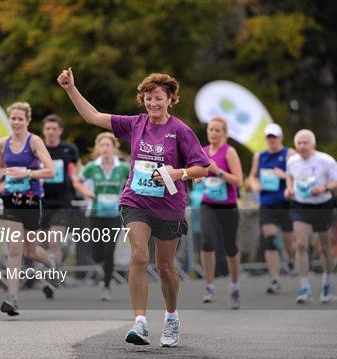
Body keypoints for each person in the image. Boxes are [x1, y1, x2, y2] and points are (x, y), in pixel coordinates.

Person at [58, 68, 209, 347]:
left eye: (158, 98)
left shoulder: (180, 130)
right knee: (139, 256)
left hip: (169, 205)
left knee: (164, 267)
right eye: (148, 98)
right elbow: (93, 116)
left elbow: (202, 168)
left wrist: (179, 174)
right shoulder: (135, 124)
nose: (153, 103)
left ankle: (172, 317)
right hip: (135, 200)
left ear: (169, 100)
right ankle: (139, 323)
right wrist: (70, 89)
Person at [0, 102, 56, 316]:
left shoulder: (34, 142)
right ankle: (12, 298)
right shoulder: (2, 143)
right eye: (13, 119)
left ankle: (50, 263)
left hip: (32, 201)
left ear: (27, 121)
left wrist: (27, 173)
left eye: (20, 119)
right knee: (14, 250)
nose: (16, 122)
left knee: (31, 251)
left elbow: (51, 171)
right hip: (11, 201)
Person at [285, 129, 337, 304]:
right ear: (295, 146)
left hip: (322, 205)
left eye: (306, 143)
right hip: (300, 205)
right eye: (299, 143)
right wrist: (289, 189)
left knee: (324, 246)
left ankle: (327, 281)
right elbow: (289, 176)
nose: (302, 146)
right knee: (301, 245)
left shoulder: (325, 160)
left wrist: (325, 187)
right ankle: (304, 287)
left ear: (313, 144)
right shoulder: (292, 161)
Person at [75, 132, 130, 301]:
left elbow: (132, 183)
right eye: (102, 145)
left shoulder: (123, 168)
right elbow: (77, 181)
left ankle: (106, 285)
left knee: (109, 250)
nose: (105, 149)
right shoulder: (92, 166)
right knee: (97, 252)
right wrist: (87, 192)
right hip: (95, 213)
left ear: (114, 148)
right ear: (98, 148)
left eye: (108, 145)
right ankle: (103, 273)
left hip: (114, 214)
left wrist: (125, 196)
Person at [199, 116, 243, 308]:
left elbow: (239, 181)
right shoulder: (203, 151)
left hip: (228, 206)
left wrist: (217, 172)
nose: (213, 133)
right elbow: (196, 173)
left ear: (225, 133)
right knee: (207, 241)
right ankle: (209, 286)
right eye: (211, 130)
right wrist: (196, 178)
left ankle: (234, 286)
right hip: (208, 203)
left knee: (230, 246)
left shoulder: (229, 152)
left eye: (217, 130)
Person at [248, 123, 296, 294]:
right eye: (269, 137)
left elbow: (299, 176)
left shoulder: (289, 154)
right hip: (267, 203)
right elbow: (252, 177)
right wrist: (255, 185)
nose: (272, 140)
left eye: (274, 137)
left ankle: (291, 258)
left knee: (289, 242)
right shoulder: (259, 156)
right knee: (270, 239)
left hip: (285, 203)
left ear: (281, 138)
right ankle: (274, 279)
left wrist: (283, 175)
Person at [41, 114, 81, 297]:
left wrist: (75, 179)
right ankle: (51, 271)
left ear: (60, 131)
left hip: (63, 201)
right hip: (41, 201)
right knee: (42, 244)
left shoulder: (68, 149)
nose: (50, 132)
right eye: (47, 129)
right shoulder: (37, 148)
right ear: (43, 131)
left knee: (54, 240)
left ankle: (51, 278)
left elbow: (77, 166)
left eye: (54, 128)